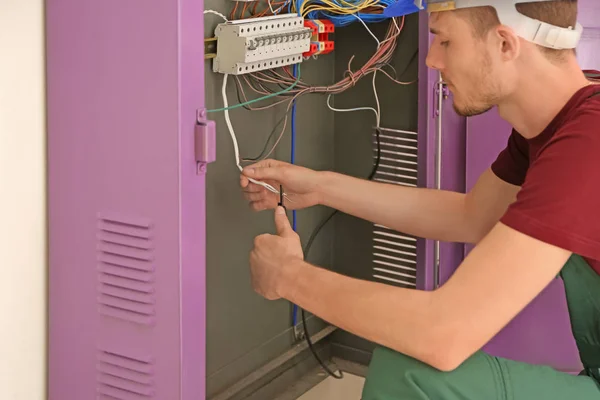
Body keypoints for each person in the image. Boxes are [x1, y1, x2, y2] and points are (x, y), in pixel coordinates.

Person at [240, 0, 600, 398]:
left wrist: (289, 277)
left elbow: (443, 334)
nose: (430, 60)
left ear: (505, 44)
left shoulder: (589, 143)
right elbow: (470, 215)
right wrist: (323, 187)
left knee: (409, 372)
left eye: (444, 40)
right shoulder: (556, 124)